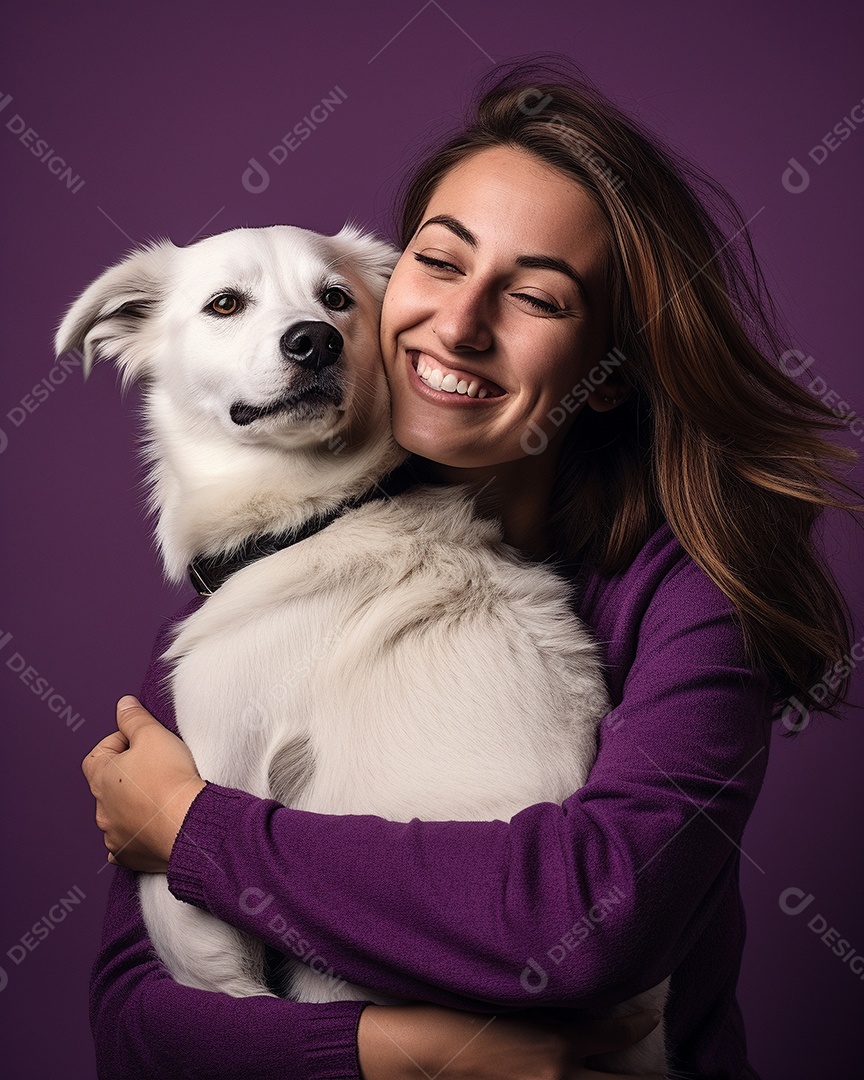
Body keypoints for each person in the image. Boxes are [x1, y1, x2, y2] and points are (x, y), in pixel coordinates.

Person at [81, 56, 859, 1079]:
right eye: (439, 264)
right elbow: (135, 1021)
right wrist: (391, 1051)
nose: (457, 326)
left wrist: (194, 829)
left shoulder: (692, 596)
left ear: (610, 374)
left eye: (536, 296)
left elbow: (589, 916)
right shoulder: (253, 588)